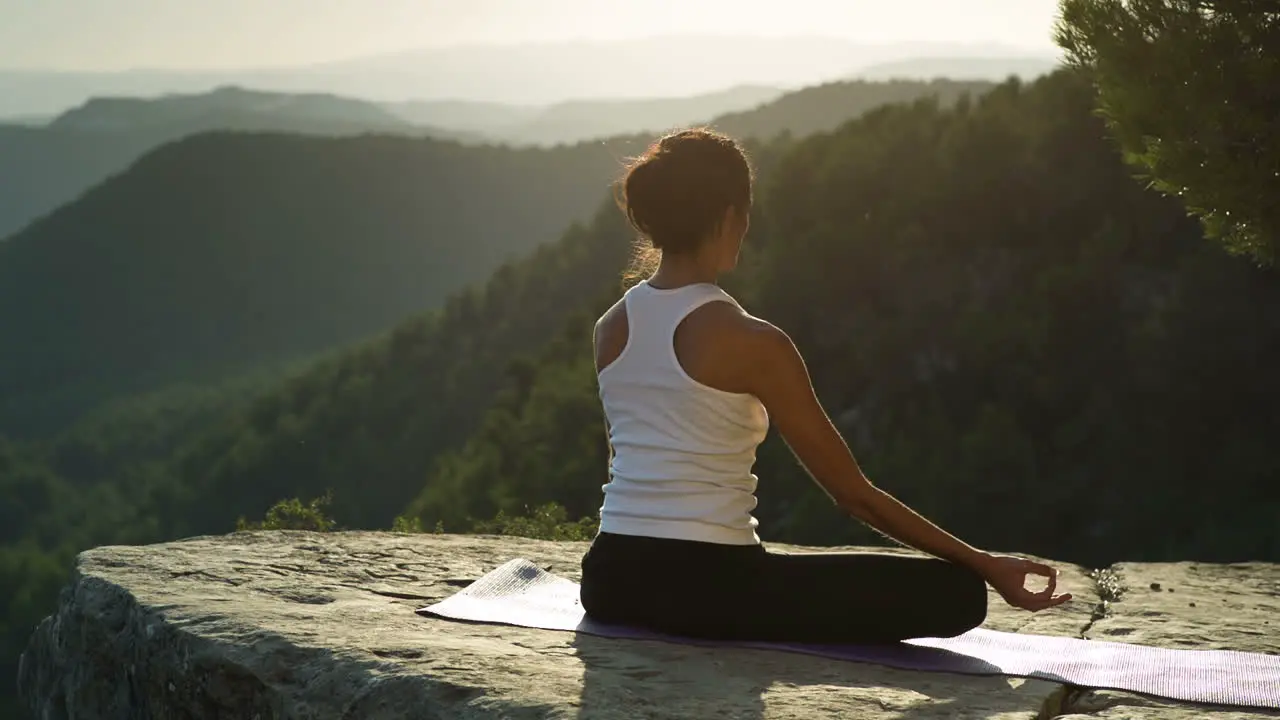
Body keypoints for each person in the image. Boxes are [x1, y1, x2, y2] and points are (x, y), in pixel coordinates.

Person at [578, 127, 1072, 645]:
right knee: (959, 592)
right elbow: (853, 496)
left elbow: (624, 466)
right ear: (730, 217)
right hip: (713, 588)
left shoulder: (610, 327)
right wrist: (984, 564)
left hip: (610, 579)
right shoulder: (755, 341)